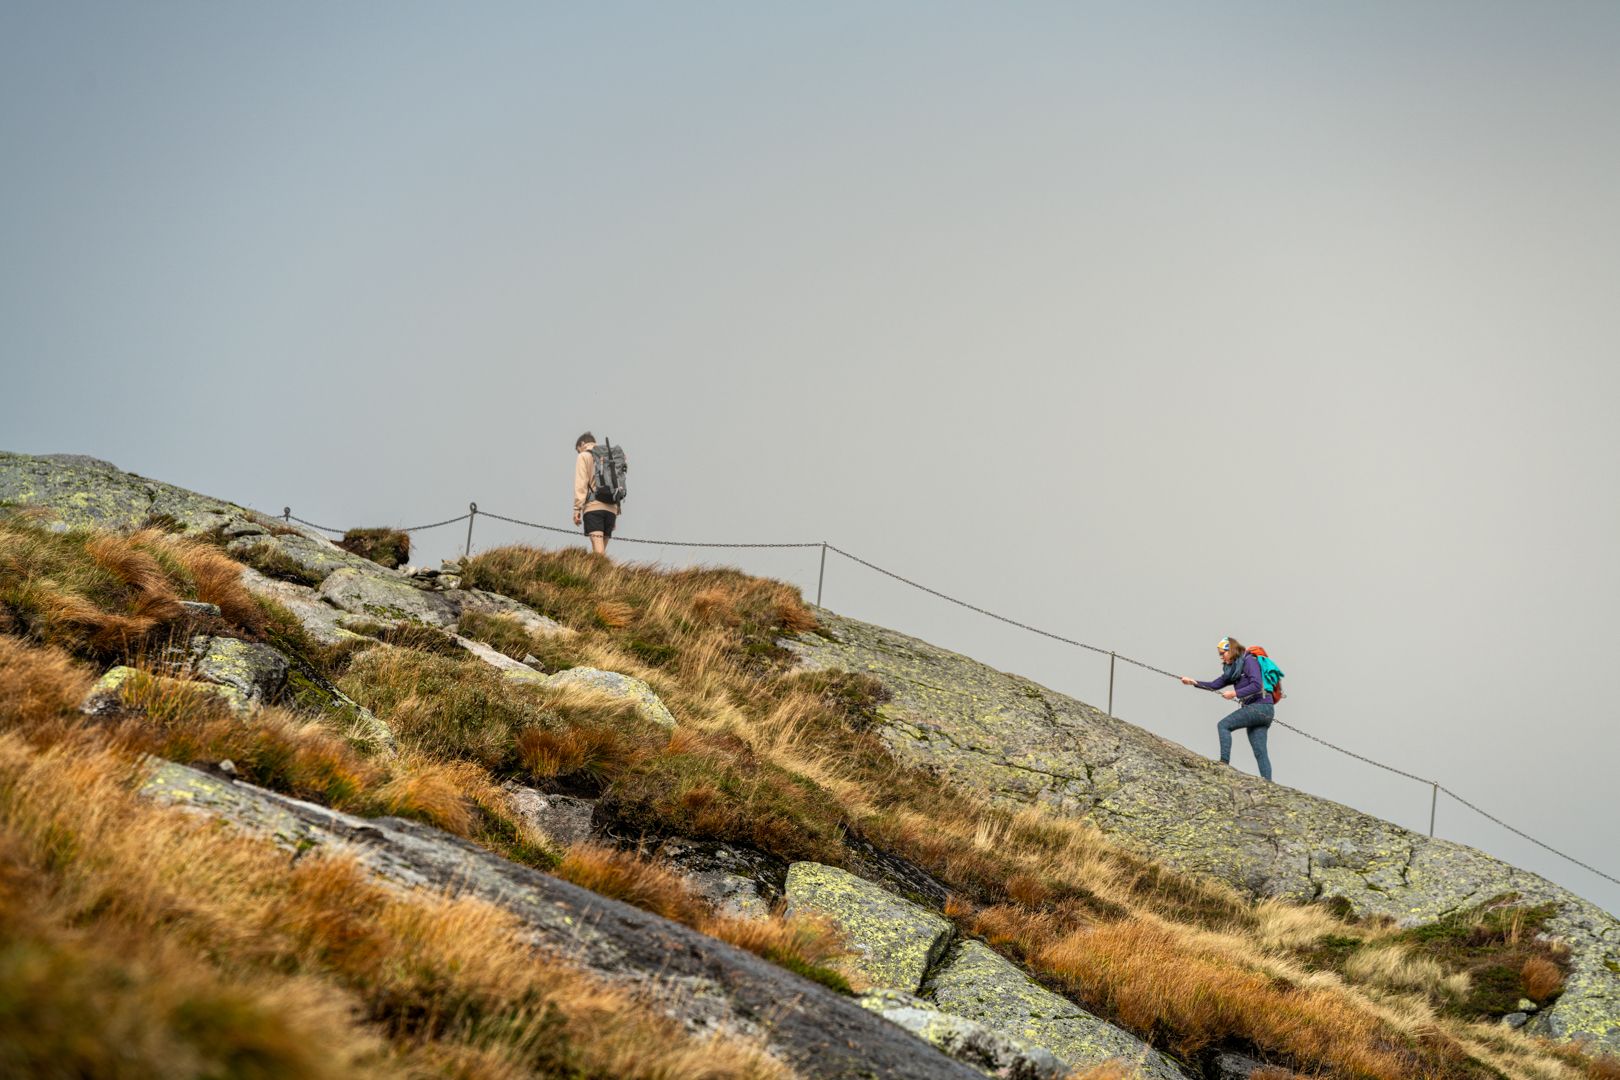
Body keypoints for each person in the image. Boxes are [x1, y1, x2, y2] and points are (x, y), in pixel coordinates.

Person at [1180, 637, 1274, 782]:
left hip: (1260, 707)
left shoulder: (1249, 661)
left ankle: (1223, 764)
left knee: (1223, 725)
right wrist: (1194, 682)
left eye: (1222, 653)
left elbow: (1257, 685)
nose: (1221, 657)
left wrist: (1235, 693)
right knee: (1260, 752)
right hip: (1262, 710)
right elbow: (1214, 685)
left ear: (1231, 650)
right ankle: (1268, 784)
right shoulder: (1233, 671)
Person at [572, 432, 620, 556]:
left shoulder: (583, 456)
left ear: (582, 444)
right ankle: (600, 569)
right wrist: (617, 511)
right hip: (612, 509)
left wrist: (577, 509)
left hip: (594, 508)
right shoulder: (609, 457)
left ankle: (604, 569)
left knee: (598, 553)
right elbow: (617, 483)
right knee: (599, 552)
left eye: (578, 450)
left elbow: (581, 483)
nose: (578, 452)